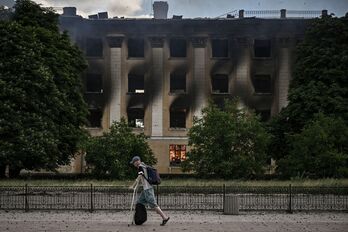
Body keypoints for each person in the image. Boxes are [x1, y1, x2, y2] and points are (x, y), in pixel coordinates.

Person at [129, 156, 170, 226]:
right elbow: (142, 178)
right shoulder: (144, 166)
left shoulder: (140, 167)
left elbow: (139, 177)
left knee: (153, 205)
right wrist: (137, 185)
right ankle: (140, 218)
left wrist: (133, 186)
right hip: (146, 190)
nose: (133, 164)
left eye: (134, 163)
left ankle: (164, 217)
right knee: (139, 202)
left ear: (137, 161)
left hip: (148, 189)